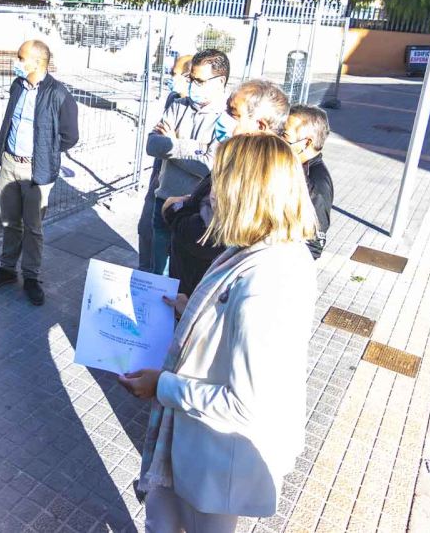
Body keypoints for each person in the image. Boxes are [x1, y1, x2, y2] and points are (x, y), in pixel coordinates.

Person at [118, 133, 318, 530]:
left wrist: (161, 385)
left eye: (220, 181)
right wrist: (192, 308)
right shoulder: (259, 250)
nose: (210, 194)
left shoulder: (268, 278)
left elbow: (244, 402)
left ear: (248, 192)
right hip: (198, 447)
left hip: (215, 458)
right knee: (160, 520)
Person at [164, 80, 289, 296]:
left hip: (204, 290)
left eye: (233, 113)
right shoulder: (241, 160)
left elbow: (212, 237)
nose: (223, 119)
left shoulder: (255, 173)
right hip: (195, 281)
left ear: (260, 126)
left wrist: (175, 211)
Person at [0, 40, 79, 306]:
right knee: (9, 221)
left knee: (33, 227)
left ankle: (31, 276)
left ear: (37, 62)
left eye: (21, 58)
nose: (16, 62)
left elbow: (70, 136)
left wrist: (46, 152)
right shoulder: (17, 86)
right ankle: (7, 269)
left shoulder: (58, 94)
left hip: (36, 169)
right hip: (9, 163)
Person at [145, 49, 233, 275]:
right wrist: (198, 148)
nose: (193, 85)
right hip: (163, 201)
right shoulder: (178, 105)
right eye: (191, 79)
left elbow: (208, 167)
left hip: (197, 211)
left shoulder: (227, 119)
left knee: (182, 275)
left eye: (200, 81)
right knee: (158, 273)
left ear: (220, 81)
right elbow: (153, 146)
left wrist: (174, 143)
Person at [138, 54, 192, 270]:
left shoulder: (218, 117)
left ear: (189, 77)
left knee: (171, 255)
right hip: (158, 184)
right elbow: (154, 144)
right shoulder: (174, 101)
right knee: (146, 232)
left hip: (184, 197)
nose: (171, 78)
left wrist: (174, 144)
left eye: (175, 74)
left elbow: (206, 163)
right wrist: (184, 147)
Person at [283, 105, 334, 259]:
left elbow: (314, 246)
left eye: (284, 135)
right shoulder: (293, 166)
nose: (277, 140)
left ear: (306, 143)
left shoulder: (316, 185)